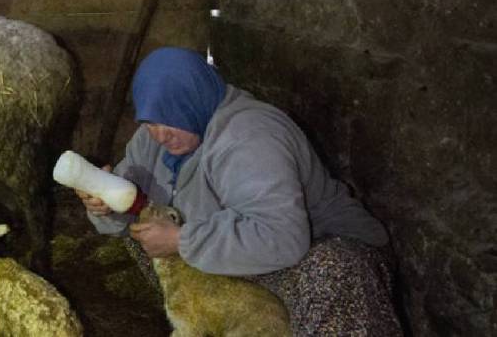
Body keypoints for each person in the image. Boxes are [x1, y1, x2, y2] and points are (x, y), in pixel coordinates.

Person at [77, 47, 402, 336]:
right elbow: (130, 205)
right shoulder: (151, 139)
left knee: (335, 271)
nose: (160, 135)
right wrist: (105, 205)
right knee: (145, 235)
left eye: (170, 119)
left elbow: (282, 237)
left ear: (193, 100)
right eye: (150, 121)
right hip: (237, 252)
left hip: (316, 251)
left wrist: (181, 239)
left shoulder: (249, 137)